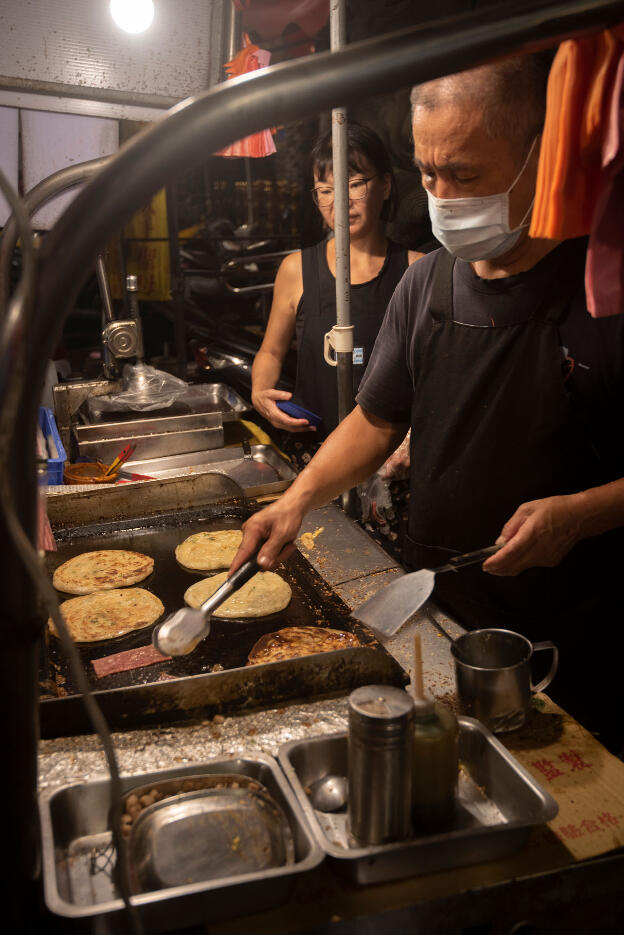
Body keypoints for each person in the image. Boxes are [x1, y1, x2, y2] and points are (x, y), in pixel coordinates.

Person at [233, 53, 624, 752]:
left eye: (464, 174)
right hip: (438, 613)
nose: (441, 194)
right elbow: (377, 419)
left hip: (578, 634)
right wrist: (299, 498)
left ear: (541, 155)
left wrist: (582, 513)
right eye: (427, 172)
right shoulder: (428, 286)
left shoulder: (605, 286)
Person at [251, 122, 422, 455]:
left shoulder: (417, 269)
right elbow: (271, 352)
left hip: (390, 456)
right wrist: (260, 391)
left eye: (354, 184)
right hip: (314, 449)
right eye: (325, 190)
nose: (339, 202)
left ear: (385, 185)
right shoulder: (295, 270)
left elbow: (433, 373)